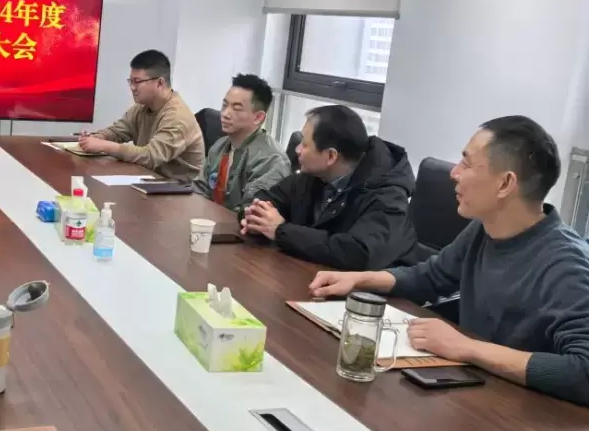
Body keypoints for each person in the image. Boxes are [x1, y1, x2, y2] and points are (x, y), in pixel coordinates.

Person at [310, 116, 589, 406]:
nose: (454, 173)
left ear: (505, 183)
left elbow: (584, 372)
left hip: (527, 418)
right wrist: (360, 279)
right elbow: (430, 277)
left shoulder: (566, 264)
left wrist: (466, 347)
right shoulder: (484, 229)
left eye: (466, 164)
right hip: (475, 397)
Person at [240, 104, 423, 270]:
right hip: (309, 273)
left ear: (330, 156)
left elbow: (358, 253)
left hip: (373, 292)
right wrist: (255, 219)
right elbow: (265, 199)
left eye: (304, 145)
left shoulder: (387, 196)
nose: (297, 150)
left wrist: (281, 231)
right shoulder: (313, 175)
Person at [78, 49, 204, 181]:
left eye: (137, 82)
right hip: (150, 179)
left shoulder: (177, 116)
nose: (132, 87)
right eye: (131, 81)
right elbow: (118, 131)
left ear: (160, 83)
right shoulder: (142, 107)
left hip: (180, 188)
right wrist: (98, 137)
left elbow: (151, 156)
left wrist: (104, 146)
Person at [193, 73, 290, 211]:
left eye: (237, 108)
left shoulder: (271, 160)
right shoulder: (220, 146)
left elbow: (251, 213)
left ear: (258, 117)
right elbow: (199, 190)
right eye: (224, 105)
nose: (225, 114)